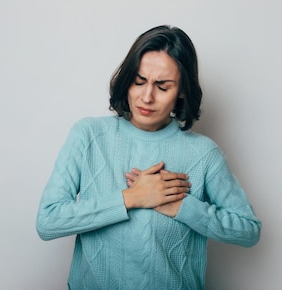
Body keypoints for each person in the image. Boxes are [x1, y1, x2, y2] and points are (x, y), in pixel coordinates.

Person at [35, 25, 261, 290]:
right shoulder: (88, 136)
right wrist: (132, 198)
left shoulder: (203, 154)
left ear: (183, 91)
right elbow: (48, 222)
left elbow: (249, 231)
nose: (146, 96)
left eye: (162, 86)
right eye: (139, 81)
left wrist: (182, 207)